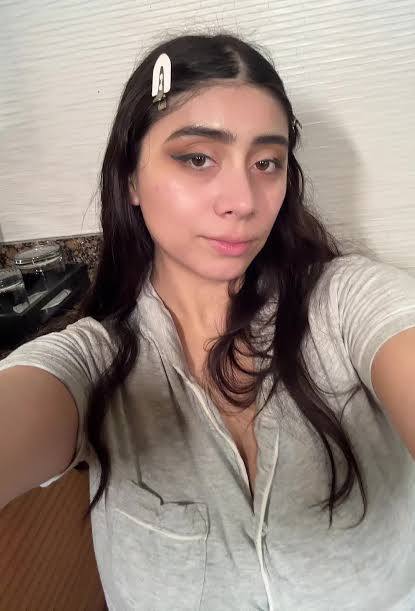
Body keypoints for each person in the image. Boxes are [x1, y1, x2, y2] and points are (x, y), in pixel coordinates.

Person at [1, 32, 414, 611]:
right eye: (198, 158)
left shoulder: (346, 304)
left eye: (266, 163)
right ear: (130, 179)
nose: (243, 200)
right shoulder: (94, 363)